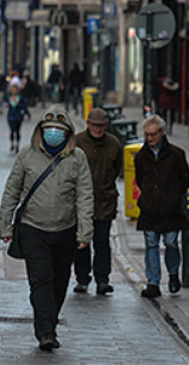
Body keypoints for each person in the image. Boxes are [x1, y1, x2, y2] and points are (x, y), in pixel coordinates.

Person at [0, 105, 93, 352]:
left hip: (65, 230)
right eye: (49, 129)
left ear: (67, 133)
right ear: (41, 131)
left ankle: (48, 322)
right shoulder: (27, 155)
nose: (53, 134)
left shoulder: (78, 158)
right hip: (33, 229)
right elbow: (12, 191)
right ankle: (45, 332)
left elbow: (84, 196)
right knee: (40, 281)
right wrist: (5, 225)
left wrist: (85, 232)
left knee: (59, 283)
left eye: (58, 130)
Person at [133, 114, 189, 298]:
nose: (149, 138)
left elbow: (185, 179)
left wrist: (172, 195)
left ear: (162, 133)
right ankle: (153, 282)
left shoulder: (176, 154)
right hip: (150, 208)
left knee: (171, 242)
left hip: (171, 208)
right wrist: (149, 196)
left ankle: (173, 274)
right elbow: (140, 180)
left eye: (153, 134)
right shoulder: (141, 156)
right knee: (151, 244)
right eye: (147, 134)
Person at [72, 108, 123, 295]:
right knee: (81, 242)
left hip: (105, 201)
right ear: (88, 124)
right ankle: (82, 279)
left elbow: (117, 169)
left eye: (101, 126)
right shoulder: (77, 142)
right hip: (81, 202)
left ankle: (103, 279)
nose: (98, 129)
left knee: (102, 241)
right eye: (94, 125)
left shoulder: (113, 144)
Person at [5, 84, 30, 154]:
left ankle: (18, 145)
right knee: (12, 130)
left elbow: (23, 106)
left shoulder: (20, 98)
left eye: (15, 90)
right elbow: (8, 104)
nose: (13, 91)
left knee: (18, 131)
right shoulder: (9, 97)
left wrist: (19, 105)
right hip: (11, 116)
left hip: (18, 116)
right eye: (12, 90)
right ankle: (12, 143)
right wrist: (7, 105)